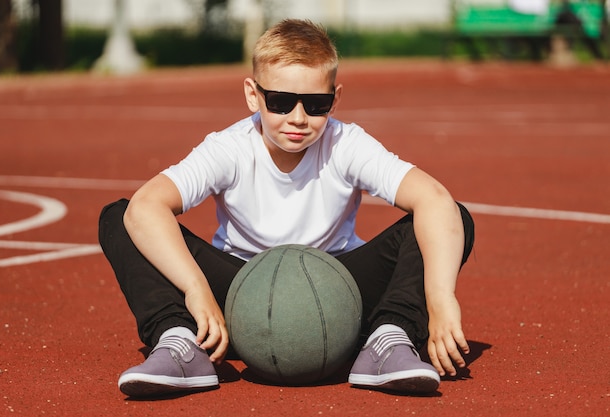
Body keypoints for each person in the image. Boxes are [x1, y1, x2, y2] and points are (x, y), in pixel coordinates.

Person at [98, 18, 475, 398]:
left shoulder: (345, 143)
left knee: (452, 216)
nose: (298, 118)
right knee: (119, 217)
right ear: (253, 95)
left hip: (341, 293)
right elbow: (146, 206)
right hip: (237, 294)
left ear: (335, 99)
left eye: (316, 104)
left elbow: (434, 199)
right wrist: (196, 289)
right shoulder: (229, 147)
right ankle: (180, 340)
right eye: (280, 102)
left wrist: (440, 300)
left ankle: (390, 336)